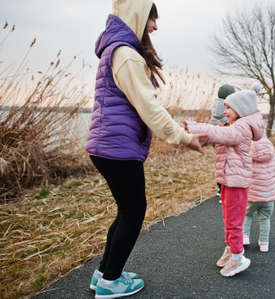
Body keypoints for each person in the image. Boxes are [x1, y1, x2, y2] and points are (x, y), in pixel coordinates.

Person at [86, 1, 204, 297]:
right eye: (152, 17)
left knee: (127, 209)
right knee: (134, 211)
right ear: (137, 15)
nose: (154, 25)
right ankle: (112, 281)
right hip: (117, 149)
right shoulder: (125, 54)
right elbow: (148, 108)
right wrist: (182, 137)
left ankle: (104, 274)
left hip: (108, 145)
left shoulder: (119, 50)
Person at [183, 83, 264, 277]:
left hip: (236, 182)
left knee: (234, 221)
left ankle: (238, 256)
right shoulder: (236, 125)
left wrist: (193, 127)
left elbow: (219, 133)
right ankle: (231, 248)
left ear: (241, 110)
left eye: (228, 108)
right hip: (228, 180)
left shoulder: (241, 128)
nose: (224, 111)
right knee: (228, 218)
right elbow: (219, 131)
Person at [243, 135, 275, 252]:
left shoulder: (248, 158)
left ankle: (244, 237)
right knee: (265, 218)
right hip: (268, 197)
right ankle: (264, 243)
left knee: (247, 215)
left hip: (251, 196)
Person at [209, 84, 235, 200]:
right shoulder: (222, 105)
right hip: (221, 137)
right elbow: (219, 115)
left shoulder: (217, 103)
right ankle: (223, 190)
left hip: (216, 137)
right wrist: (230, 124)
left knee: (221, 163)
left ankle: (221, 189)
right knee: (225, 163)